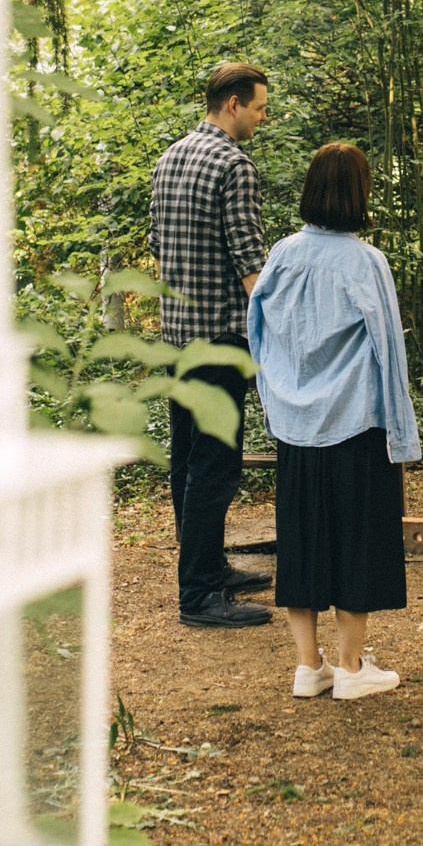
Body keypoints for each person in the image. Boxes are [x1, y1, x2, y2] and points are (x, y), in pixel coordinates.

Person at [248, 143, 419, 700]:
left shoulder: (282, 254)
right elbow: (389, 350)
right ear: (359, 193)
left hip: (296, 424)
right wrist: (401, 431)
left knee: (301, 538)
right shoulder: (365, 261)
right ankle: (349, 668)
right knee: (357, 539)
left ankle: (308, 665)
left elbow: (259, 331)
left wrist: (275, 393)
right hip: (354, 421)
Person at [149, 61, 277, 629]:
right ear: (232, 104)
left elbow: (157, 242)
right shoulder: (233, 164)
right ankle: (200, 593)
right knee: (216, 465)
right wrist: (281, 321)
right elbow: (250, 261)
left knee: (186, 460)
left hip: (176, 335)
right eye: (258, 108)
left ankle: (208, 567)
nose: (261, 118)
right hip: (222, 339)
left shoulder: (170, 157)